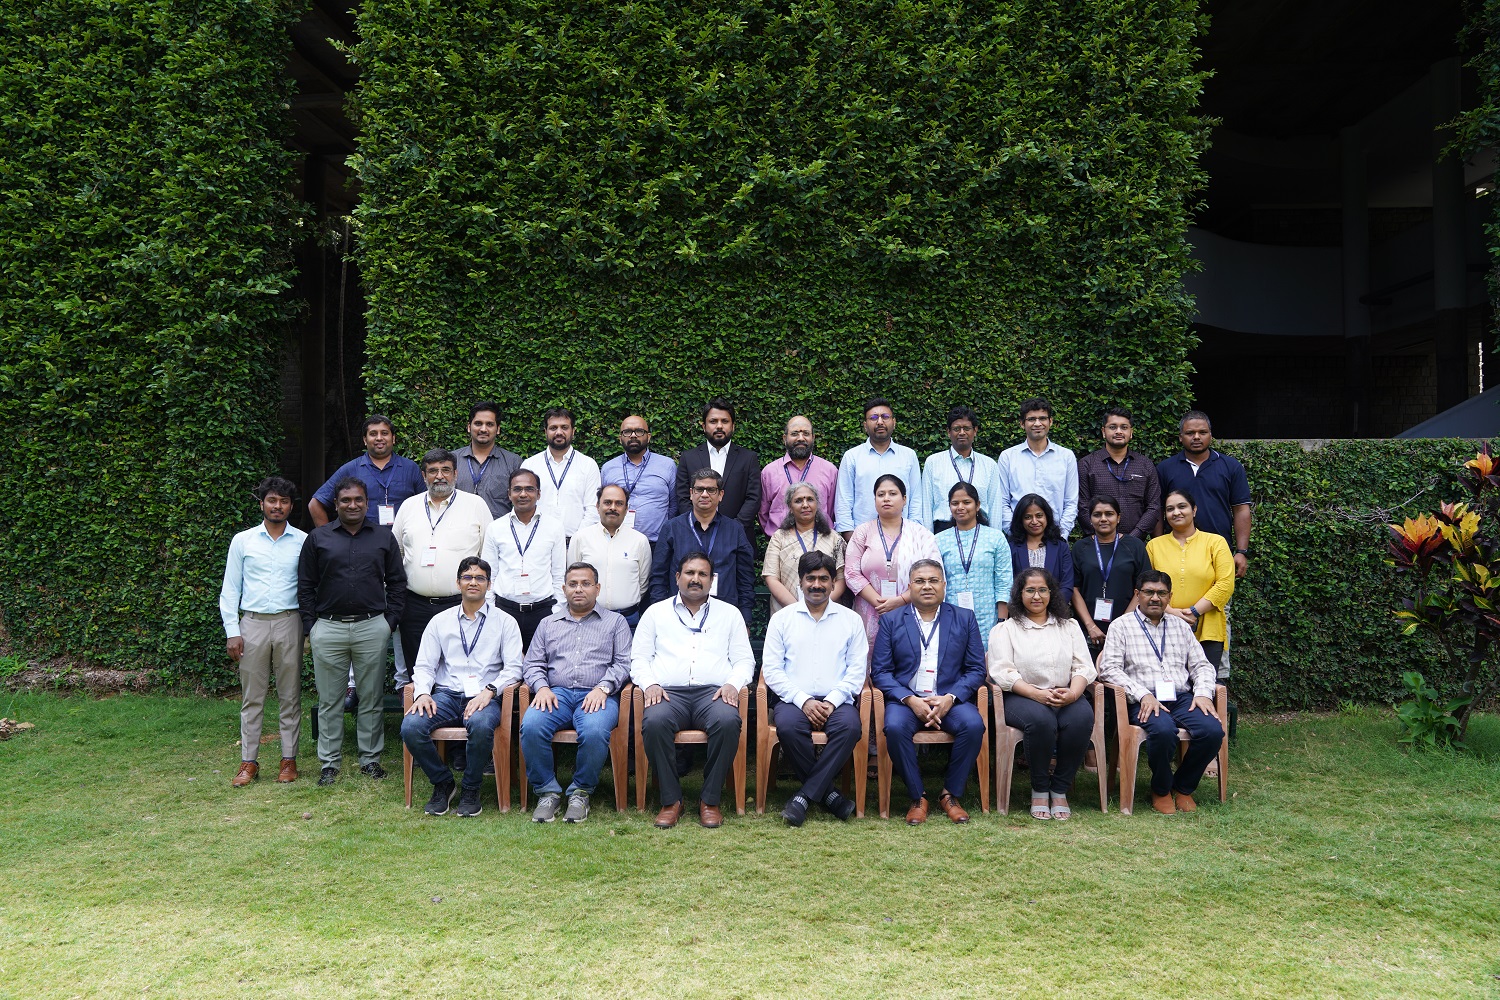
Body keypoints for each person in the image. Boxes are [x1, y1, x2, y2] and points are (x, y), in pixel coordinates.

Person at [631, 552, 756, 829]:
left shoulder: (729, 614)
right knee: (654, 722)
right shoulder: (656, 613)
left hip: (712, 694)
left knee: (728, 721)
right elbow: (639, 658)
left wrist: (733, 685)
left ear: (712, 581)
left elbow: (745, 660)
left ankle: (709, 801)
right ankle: (671, 800)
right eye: (689, 573)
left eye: (702, 574)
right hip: (667, 693)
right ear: (677, 577)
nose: (695, 579)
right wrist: (649, 683)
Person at [298, 477, 407, 786]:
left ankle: (370, 759)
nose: (352, 505)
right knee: (330, 699)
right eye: (346, 500)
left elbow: (397, 582)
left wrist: (390, 622)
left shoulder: (383, 538)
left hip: (372, 626)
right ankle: (329, 763)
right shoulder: (318, 538)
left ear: (366, 502)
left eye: (358, 499)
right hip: (328, 626)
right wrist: (311, 626)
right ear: (336, 504)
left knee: (371, 697)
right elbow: (305, 586)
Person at [401, 557, 523, 817]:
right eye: (467, 577)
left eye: (480, 578)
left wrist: (490, 690)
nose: (473, 582)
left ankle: (470, 788)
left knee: (480, 725)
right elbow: (424, 666)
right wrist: (422, 693)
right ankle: (442, 782)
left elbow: (514, 668)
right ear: (458, 583)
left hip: (485, 697)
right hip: (445, 695)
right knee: (410, 727)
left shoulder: (505, 622)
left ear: (489, 585)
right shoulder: (440, 621)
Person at [1096, 569, 1224, 814]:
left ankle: (1183, 787)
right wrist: (1142, 694)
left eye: (1161, 593)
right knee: (1164, 731)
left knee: (1212, 731)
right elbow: (1109, 669)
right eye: (1149, 592)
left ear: (1170, 597)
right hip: (1142, 698)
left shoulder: (1180, 626)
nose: (1155, 598)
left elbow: (1201, 665)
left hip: (1181, 697)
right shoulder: (1120, 626)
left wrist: (1203, 694)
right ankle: (1162, 789)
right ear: (1138, 594)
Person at [870, 559, 988, 824]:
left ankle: (950, 795)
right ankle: (917, 796)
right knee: (895, 727)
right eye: (920, 581)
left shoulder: (964, 618)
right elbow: (880, 672)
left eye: (933, 581)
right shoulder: (890, 620)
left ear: (944, 585)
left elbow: (976, 669)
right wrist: (911, 700)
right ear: (909, 586)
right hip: (907, 699)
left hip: (949, 699)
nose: (927, 587)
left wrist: (950, 698)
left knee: (973, 725)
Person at [520, 562, 634, 824]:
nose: (579, 589)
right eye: (573, 584)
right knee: (532, 725)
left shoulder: (615, 623)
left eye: (585, 584)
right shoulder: (548, 624)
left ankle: (581, 792)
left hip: (598, 694)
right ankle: (547, 791)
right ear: (564, 589)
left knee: (594, 730)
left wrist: (603, 688)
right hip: (555, 694)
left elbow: (624, 663)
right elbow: (533, 663)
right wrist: (542, 687)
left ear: (597, 588)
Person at [761, 551, 867, 826]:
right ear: (800, 581)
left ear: (834, 583)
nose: (816, 585)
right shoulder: (782, 619)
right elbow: (771, 670)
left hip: (838, 700)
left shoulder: (851, 620)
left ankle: (804, 797)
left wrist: (831, 701)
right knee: (787, 727)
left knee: (850, 728)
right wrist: (803, 700)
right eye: (810, 579)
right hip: (793, 701)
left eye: (823, 579)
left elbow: (857, 671)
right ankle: (831, 796)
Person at [987, 567, 1096, 821]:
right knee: (1042, 721)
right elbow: (1002, 672)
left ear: (1051, 593)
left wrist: (1073, 693)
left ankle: (1059, 788)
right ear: (1019, 594)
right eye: (1030, 590)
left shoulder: (1069, 626)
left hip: (1065, 693)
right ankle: (1039, 788)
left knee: (1081, 719)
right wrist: (1036, 695)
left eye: (1043, 590)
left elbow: (1083, 666)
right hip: (1021, 696)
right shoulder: (1006, 629)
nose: (1037, 596)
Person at [220, 476, 307, 787]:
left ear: (291, 507)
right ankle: (249, 761)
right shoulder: (243, 541)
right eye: (272, 500)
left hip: (289, 621)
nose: (277, 506)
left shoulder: (302, 540)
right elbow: (230, 589)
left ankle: (288, 760)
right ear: (262, 504)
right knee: (252, 696)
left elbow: (308, 587)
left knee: (290, 695)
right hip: (252, 623)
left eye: (284, 502)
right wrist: (233, 630)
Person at [391, 449, 490, 686]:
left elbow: (488, 554)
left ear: (455, 473)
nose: (439, 476)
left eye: (445, 470)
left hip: (461, 603)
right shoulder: (409, 506)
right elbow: (397, 552)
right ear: (424, 475)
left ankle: (460, 717)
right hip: (415, 606)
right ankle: (419, 716)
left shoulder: (475, 504)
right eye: (432, 471)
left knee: (460, 668)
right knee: (418, 671)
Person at [650, 468, 756, 626]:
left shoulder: (735, 529)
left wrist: (745, 620)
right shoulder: (672, 528)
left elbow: (746, 579)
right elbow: (658, 576)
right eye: (699, 489)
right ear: (691, 493)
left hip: (724, 616)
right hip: (679, 615)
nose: (705, 494)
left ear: (720, 495)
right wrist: (660, 615)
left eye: (711, 490)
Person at [845, 474, 940, 647]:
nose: (886, 498)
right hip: (869, 611)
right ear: (874, 500)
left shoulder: (921, 534)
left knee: (908, 659)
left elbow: (935, 574)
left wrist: (901, 600)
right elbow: (851, 573)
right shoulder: (863, 532)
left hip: (912, 608)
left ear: (904, 499)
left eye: (892, 493)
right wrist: (878, 603)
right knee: (869, 659)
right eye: (881, 494)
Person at [1145, 489, 1235, 672]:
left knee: (1206, 684)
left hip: (1208, 628)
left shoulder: (1216, 542)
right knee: (1169, 686)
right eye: (1170, 509)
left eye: (1182, 506)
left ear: (1194, 510)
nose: (1176, 512)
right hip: (1163, 626)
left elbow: (1226, 584)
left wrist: (1194, 612)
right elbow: (1147, 587)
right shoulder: (1154, 546)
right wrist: (1171, 612)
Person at [1156, 410, 1252, 579]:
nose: (1197, 437)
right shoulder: (1165, 468)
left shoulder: (1231, 466)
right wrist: (1158, 547)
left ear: (1211, 435)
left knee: (1217, 602)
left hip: (1217, 551)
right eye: (1190, 433)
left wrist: (1241, 551)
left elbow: (1241, 510)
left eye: (1202, 432)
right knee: (1176, 601)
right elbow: (1157, 510)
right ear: (1180, 437)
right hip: (1174, 551)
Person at [482, 468, 567, 651]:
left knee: (540, 670)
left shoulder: (554, 527)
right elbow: (489, 575)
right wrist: (492, 611)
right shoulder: (495, 528)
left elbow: (559, 575)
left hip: (543, 612)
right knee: (506, 670)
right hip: (505, 611)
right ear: (509, 494)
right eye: (517, 489)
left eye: (529, 489)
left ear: (538, 494)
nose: (523, 494)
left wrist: (556, 612)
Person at [308, 414, 425, 528]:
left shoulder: (411, 468)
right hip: (362, 543)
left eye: (384, 433)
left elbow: (427, 505)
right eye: (373, 434)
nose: (379, 438)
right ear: (365, 440)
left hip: (401, 543)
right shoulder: (350, 469)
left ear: (393, 438)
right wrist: (328, 540)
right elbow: (315, 504)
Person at [834, 397, 925, 537]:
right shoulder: (852, 456)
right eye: (874, 418)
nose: (880, 422)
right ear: (865, 425)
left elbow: (916, 500)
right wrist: (851, 539)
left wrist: (911, 535)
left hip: (903, 536)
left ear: (894, 422)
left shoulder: (909, 456)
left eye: (885, 417)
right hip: (862, 537)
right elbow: (844, 501)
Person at [1070, 496, 1149, 654]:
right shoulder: (1080, 547)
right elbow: (1074, 588)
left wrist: (1121, 626)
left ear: (1118, 517)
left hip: (1128, 629)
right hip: (1088, 630)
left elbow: (1143, 587)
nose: (1103, 519)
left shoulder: (1135, 546)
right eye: (1097, 514)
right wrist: (1090, 626)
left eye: (1109, 514)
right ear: (1090, 519)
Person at [673, 398, 761, 538]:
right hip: (695, 535)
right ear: (704, 426)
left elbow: (753, 498)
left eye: (725, 421)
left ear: (733, 426)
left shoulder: (748, 458)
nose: (719, 426)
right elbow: (683, 496)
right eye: (713, 421)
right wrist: (699, 526)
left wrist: (734, 528)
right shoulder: (688, 458)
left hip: (738, 537)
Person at [934, 481, 1011, 638]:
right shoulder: (938, 540)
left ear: (977, 505)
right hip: (950, 615)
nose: (960, 507)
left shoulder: (996, 538)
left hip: (989, 617)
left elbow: (1004, 581)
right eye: (955, 503)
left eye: (966, 502)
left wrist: (1002, 621)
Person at [567, 484, 651, 626]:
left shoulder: (640, 541)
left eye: (619, 503)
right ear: (597, 506)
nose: (613, 507)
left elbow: (643, 583)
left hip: (628, 619)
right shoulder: (580, 538)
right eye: (607, 502)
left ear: (626, 509)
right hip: (588, 618)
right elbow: (572, 579)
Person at [996, 398, 1078, 538]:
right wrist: (1014, 533)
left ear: (1050, 422)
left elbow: (1071, 502)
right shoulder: (1008, 457)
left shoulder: (1066, 456)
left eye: (1042, 418)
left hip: (1055, 537)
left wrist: (1061, 535)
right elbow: (1002, 501)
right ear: (1022, 424)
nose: (1037, 423)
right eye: (1031, 419)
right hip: (1019, 538)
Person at [1076, 406, 1161, 540]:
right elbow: (1082, 506)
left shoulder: (1145, 465)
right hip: (1097, 543)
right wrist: (1103, 536)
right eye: (1113, 427)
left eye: (1124, 427)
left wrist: (1134, 537)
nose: (1119, 431)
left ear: (1131, 432)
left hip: (1135, 544)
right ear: (1103, 431)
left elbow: (1154, 506)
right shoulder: (1087, 464)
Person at [762, 482, 846, 614]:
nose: (805, 505)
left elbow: (841, 579)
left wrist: (821, 605)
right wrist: (798, 608)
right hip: (788, 612)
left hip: (827, 611)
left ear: (817, 504)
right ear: (790, 507)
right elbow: (771, 578)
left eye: (810, 499)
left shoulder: (833, 538)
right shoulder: (779, 538)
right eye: (798, 501)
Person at [521, 407, 600, 542]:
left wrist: (577, 541)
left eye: (564, 427)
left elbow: (593, 509)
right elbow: (522, 507)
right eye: (553, 428)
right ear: (545, 432)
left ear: (573, 431)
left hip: (576, 543)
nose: (559, 432)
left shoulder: (588, 465)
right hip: (537, 543)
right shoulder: (530, 465)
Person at [598, 414, 677, 542]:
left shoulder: (667, 465)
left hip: (657, 543)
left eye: (639, 431)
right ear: (620, 438)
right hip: (617, 540)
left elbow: (674, 505)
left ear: (648, 437)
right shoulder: (608, 468)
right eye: (627, 432)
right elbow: (602, 505)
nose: (633, 435)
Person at [924, 406, 1002, 533]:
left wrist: (996, 539)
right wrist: (928, 541)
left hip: (981, 532)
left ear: (975, 431)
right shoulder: (933, 462)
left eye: (966, 428)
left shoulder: (989, 465)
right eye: (956, 429)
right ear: (948, 432)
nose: (961, 433)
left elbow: (995, 506)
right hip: (944, 530)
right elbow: (926, 506)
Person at [758, 415, 839, 537]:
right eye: (795, 433)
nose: (801, 438)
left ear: (813, 437)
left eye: (806, 433)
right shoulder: (769, 472)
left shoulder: (829, 470)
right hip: (781, 546)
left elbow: (833, 511)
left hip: (820, 546)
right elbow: (763, 514)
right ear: (784, 438)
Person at [453, 401, 523, 519]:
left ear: (498, 429)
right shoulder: (452, 460)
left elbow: (521, 501)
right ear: (469, 427)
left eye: (489, 424)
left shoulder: (513, 462)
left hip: (499, 534)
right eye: (478, 423)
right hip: (459, 532)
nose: (483, 429)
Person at [1006, 493, 1075, 606]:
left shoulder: (1060, 547)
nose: (1034, 521)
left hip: (1055, 614)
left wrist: (1049, 611)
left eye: (1039, 515)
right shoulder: (1011, 547)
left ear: (1047, 517)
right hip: (1020, 614)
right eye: (1028, 517)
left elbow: (1067, 585)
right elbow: (1008, 585)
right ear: (1020, 520)